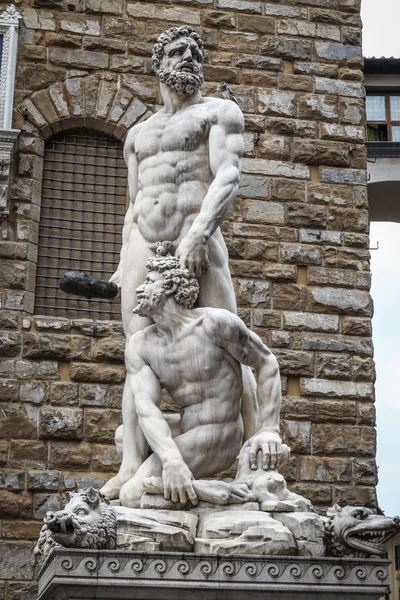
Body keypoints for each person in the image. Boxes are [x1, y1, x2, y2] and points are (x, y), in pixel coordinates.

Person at [101, 26, 282, 500]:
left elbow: (228, 173)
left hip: (197, 235)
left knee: (230, 345)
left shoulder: (219, 112)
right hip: (144, 242)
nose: (189, 57)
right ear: (158, 63)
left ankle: (254, 462)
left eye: (196, 51)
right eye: (178, 50)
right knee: (137, 350)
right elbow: (134, 200)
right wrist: (124, 260)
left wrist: (200, 233)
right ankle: (130, 465)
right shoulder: (137, 134)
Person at [112, 243, 284, 508]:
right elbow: (146, 408)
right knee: (126, 435)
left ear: (168, 286)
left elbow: (266, 362)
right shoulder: (140, 345)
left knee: (131, 495)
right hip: (190, 427)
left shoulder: (215, 324)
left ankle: (192, 488)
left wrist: (269, 430)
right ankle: (205, 490)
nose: (138, 289)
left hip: (221, 433)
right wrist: (171, 460)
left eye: (148, 281)